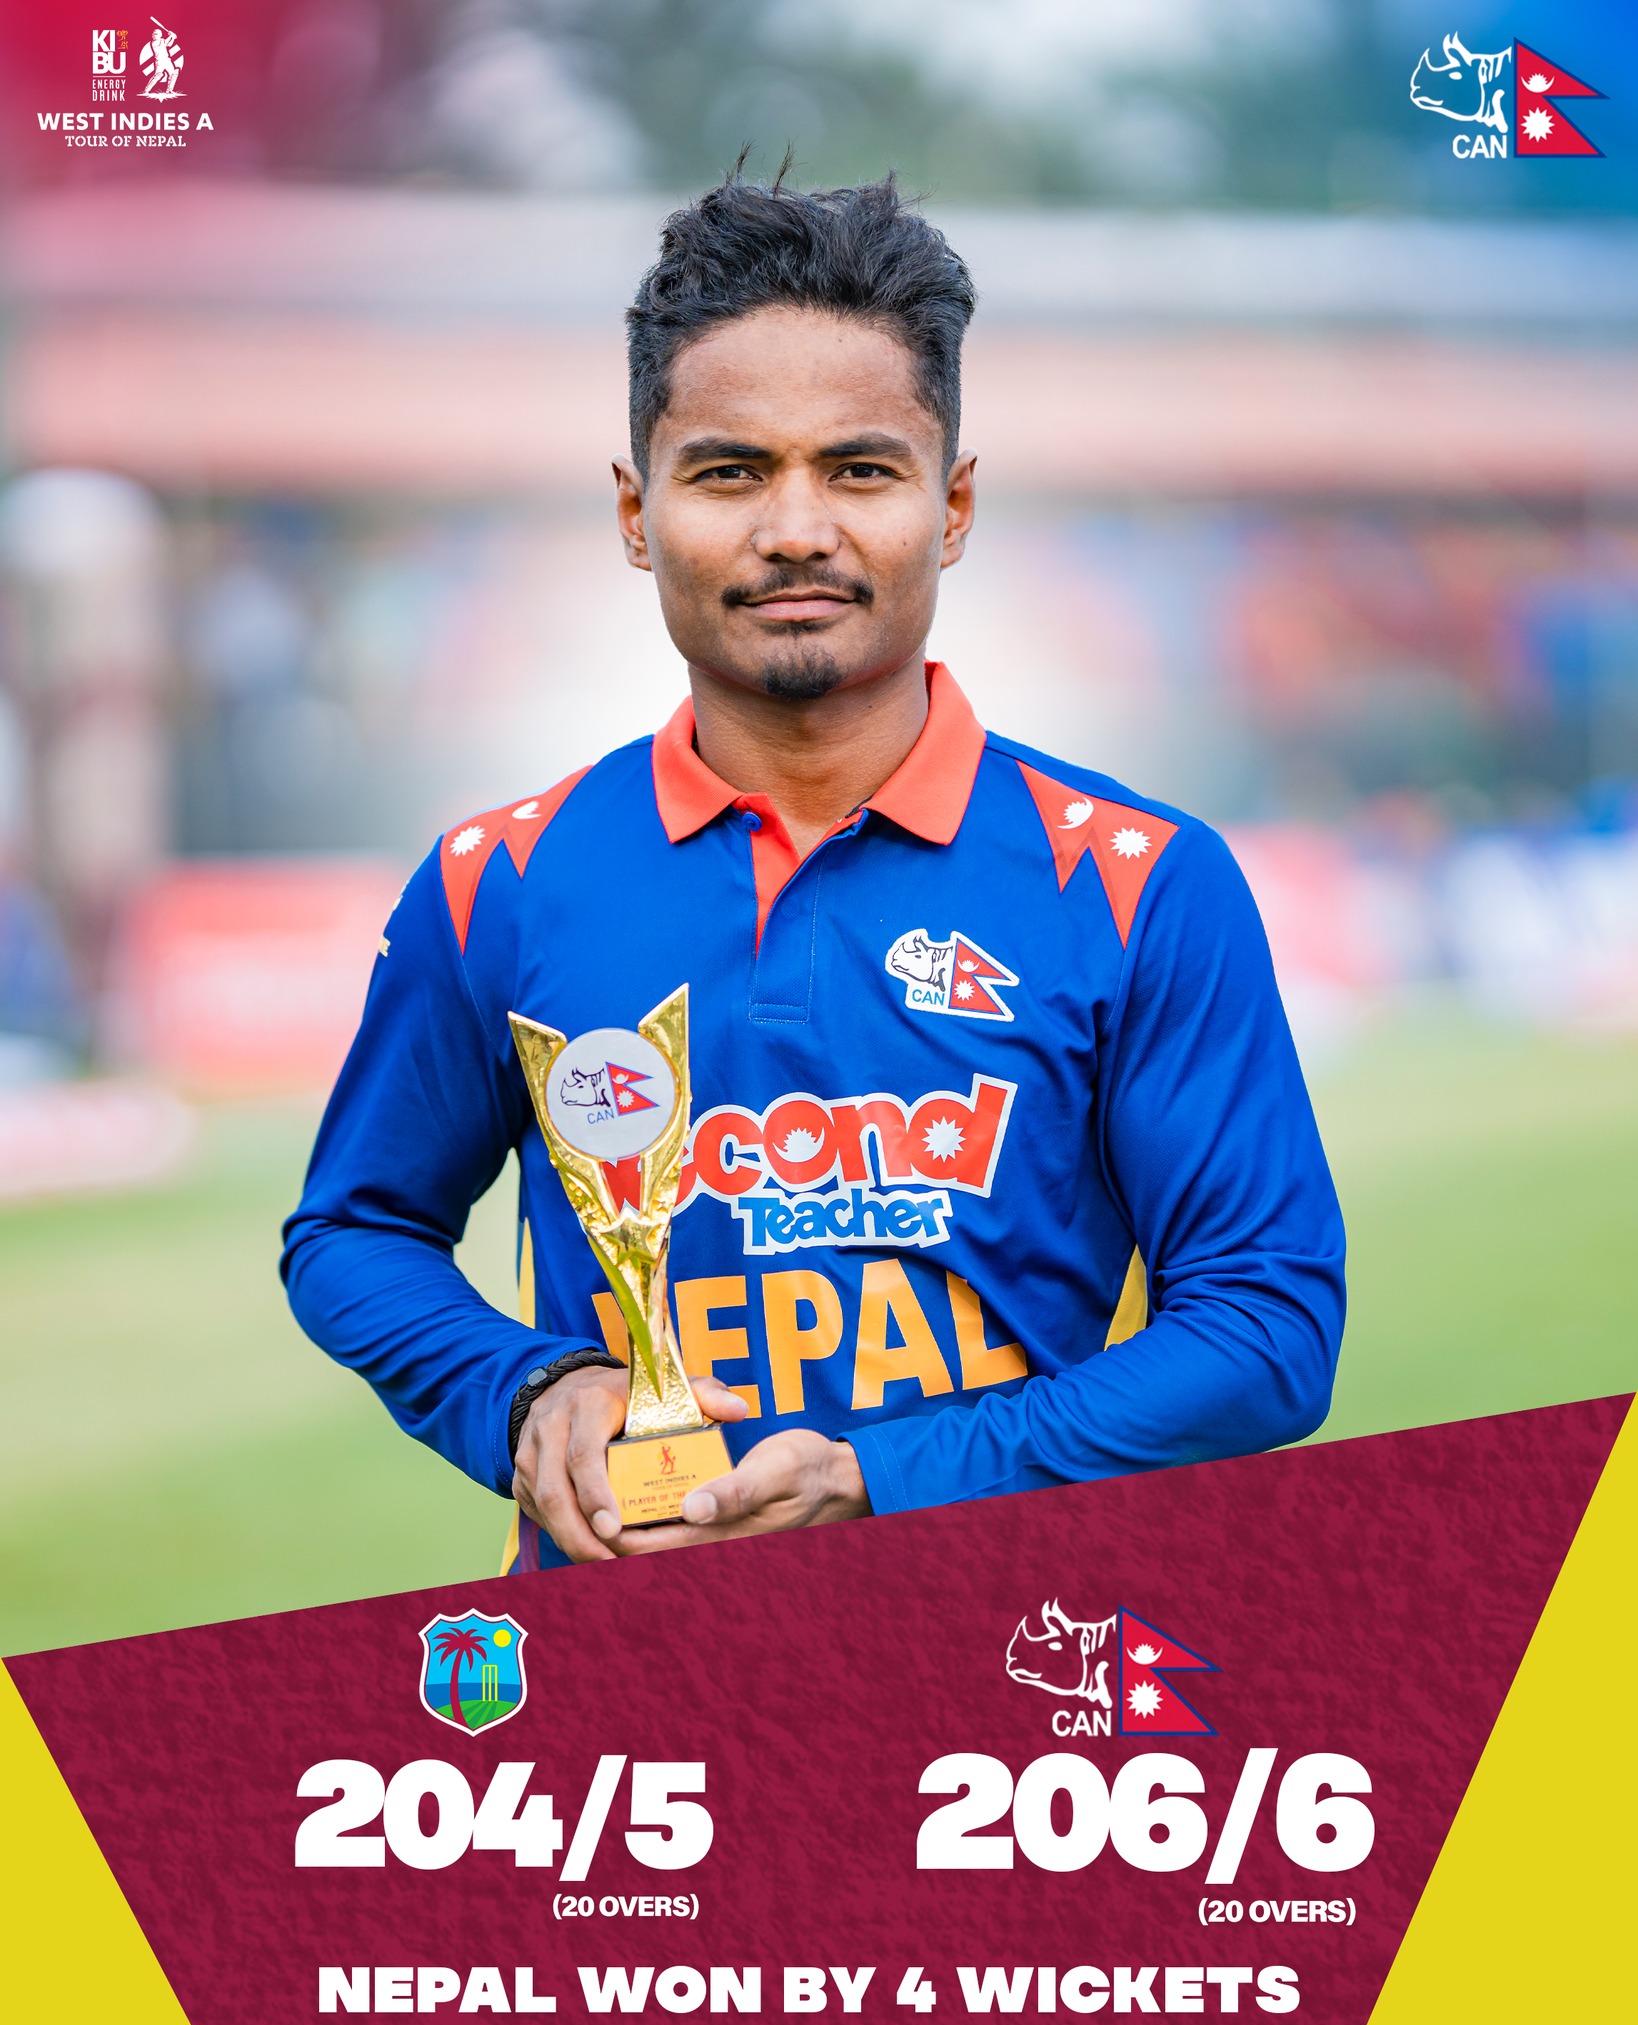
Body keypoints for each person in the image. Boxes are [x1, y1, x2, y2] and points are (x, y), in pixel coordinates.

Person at [282, 172, 1345, 1571]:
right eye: (729, 472)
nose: (794, 528)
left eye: (860, 470)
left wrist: (886, 1479)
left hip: (1005, 1651)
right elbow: (354, 1232)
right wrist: (527, 1390)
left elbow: (1267, 1330)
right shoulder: (504, 881)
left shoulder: (1140, 884)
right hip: (633, 1664)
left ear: (951, 506)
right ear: (635, 513)